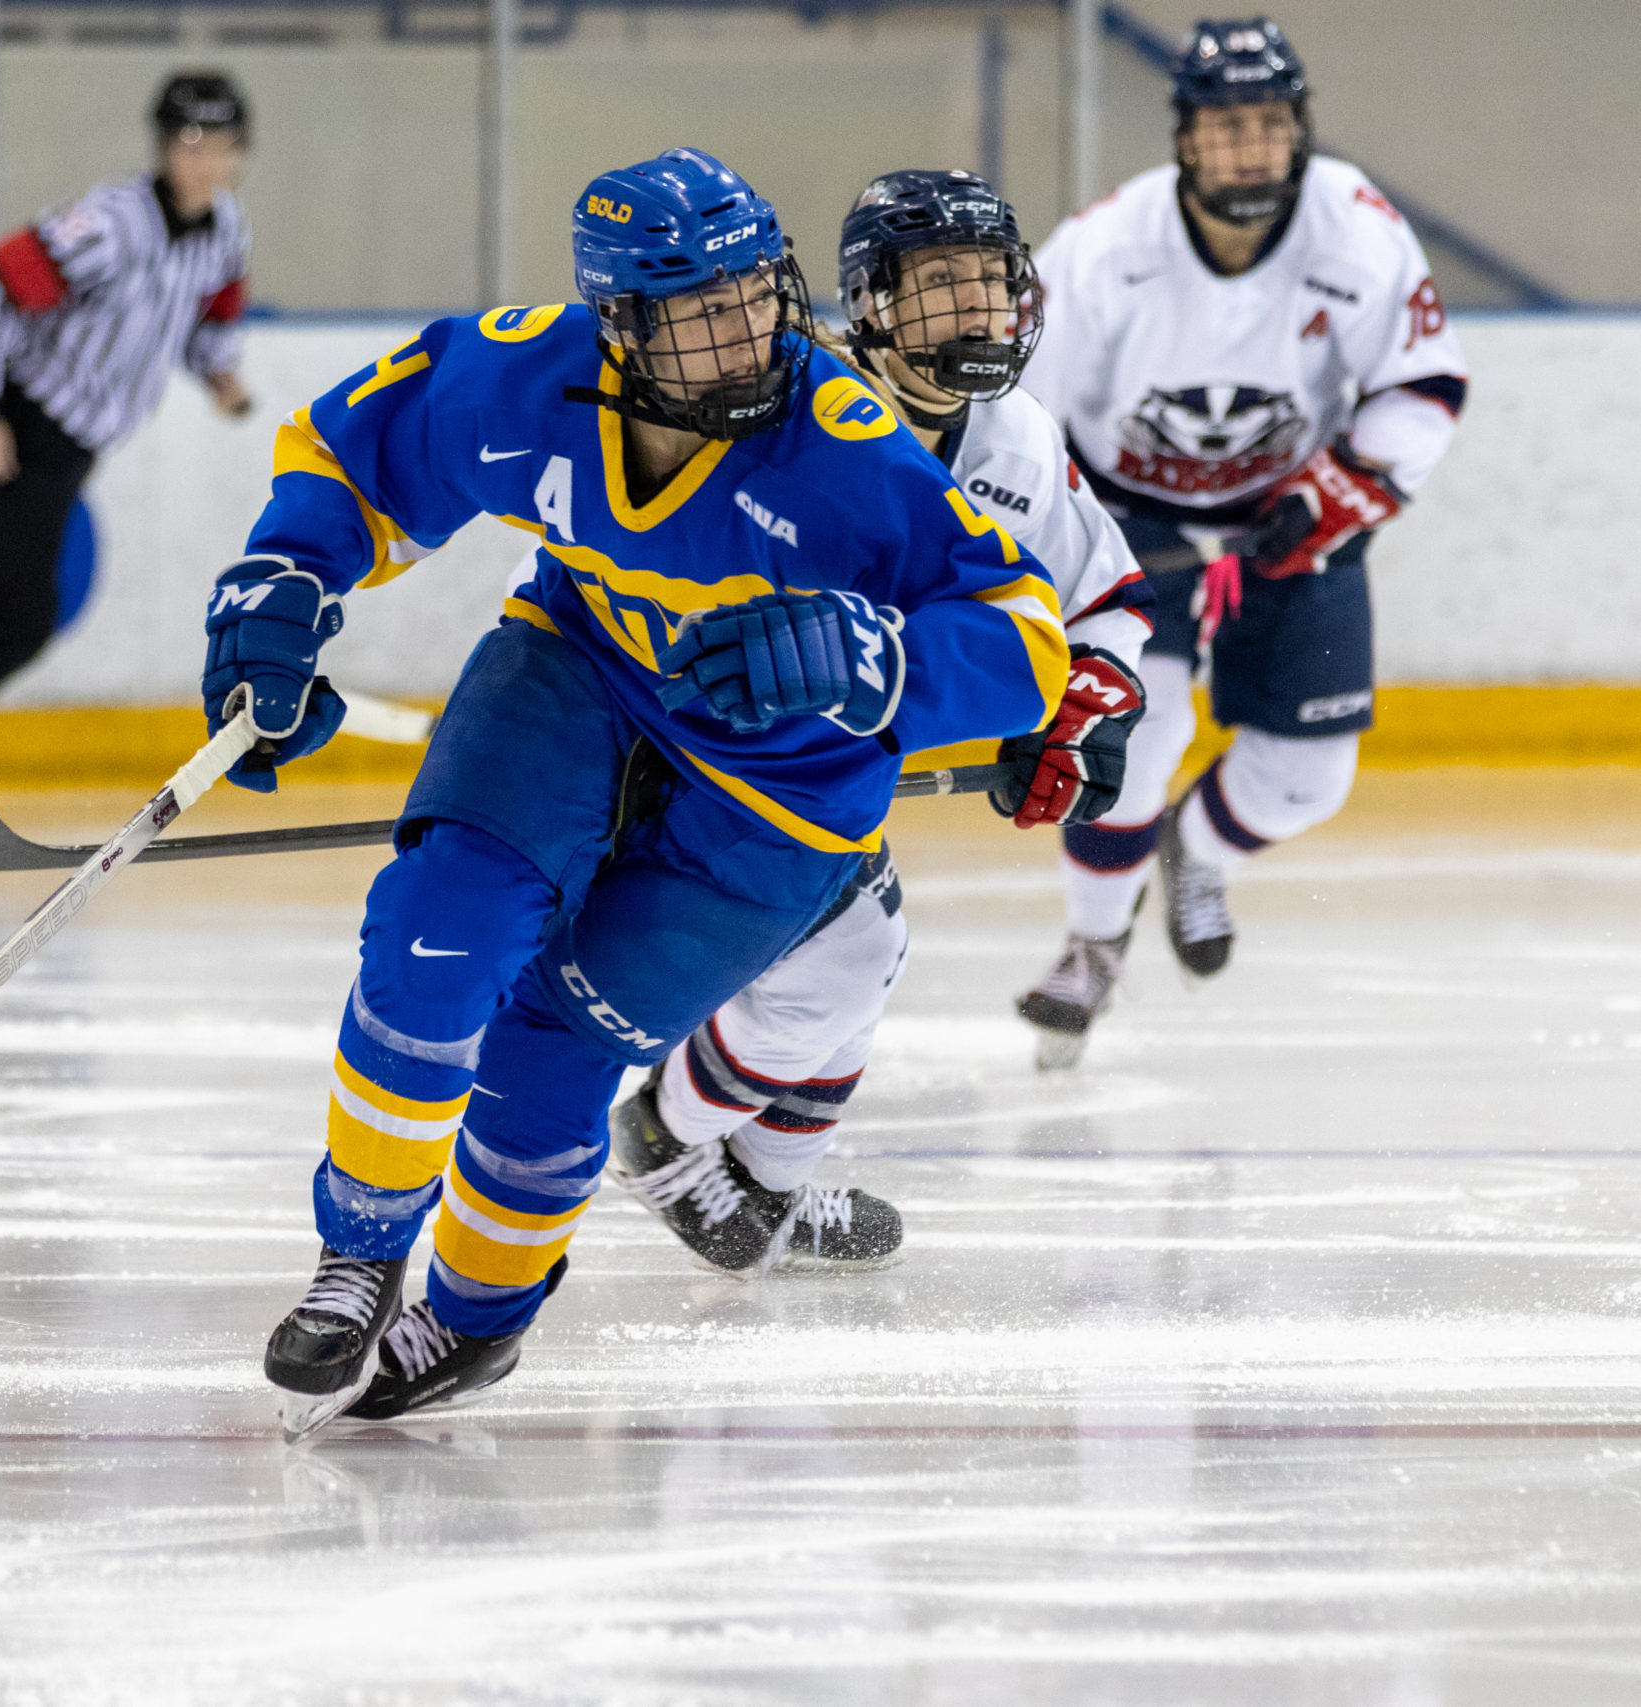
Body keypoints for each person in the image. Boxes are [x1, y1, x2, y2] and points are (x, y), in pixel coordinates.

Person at [198, 147, 1071, 1433]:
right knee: (437, 930)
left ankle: (476, 1318)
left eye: (757, 296)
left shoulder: (845, 453)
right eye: (699, 311)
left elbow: (1024, 642)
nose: (746, 335)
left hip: (780, 795)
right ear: (619, 326)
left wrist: (870, 656)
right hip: (583, 672)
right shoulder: (527, 375)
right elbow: (348, 452)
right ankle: (360, 1250)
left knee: (544, 1058)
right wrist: (281, 591)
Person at [609, 169, 1154, 1273]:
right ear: (867, 303)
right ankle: (664, 1136)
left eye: (990, 284)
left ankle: (763, 1185)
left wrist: (1084, 699)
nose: (975, 312)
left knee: (858, 973)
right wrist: (615, 734)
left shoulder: (1014, 441)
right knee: (848, 957)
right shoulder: (772, 408)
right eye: (939, 285)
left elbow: (1100, 602)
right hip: (711, 754)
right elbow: (598, 562)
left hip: (829, 768)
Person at [1014, 17, 1469, 1062]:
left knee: (1308, 780)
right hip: (1128, 521)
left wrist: (1348, 487)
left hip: (1298, 513)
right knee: (1136, 738)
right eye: (1225, 127)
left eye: (1268, 124)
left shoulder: (1355, 227)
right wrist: (1049, 533)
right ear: (1183, 139)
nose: (1249, 147)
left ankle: (1197, 848)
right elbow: (1020, 410)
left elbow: (1422, 379)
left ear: (1297, 130)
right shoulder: (1103, 249)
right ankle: (1092, 948)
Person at [0, 71, 258, 850]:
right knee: (19, 618)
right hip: (26, 424)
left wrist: (218, 372)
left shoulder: (225, 228)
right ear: (164, 146)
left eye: (222, 145)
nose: (206, 160)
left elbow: (208, 308)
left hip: (74, 442)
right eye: (191, 142)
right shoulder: (111, 226)